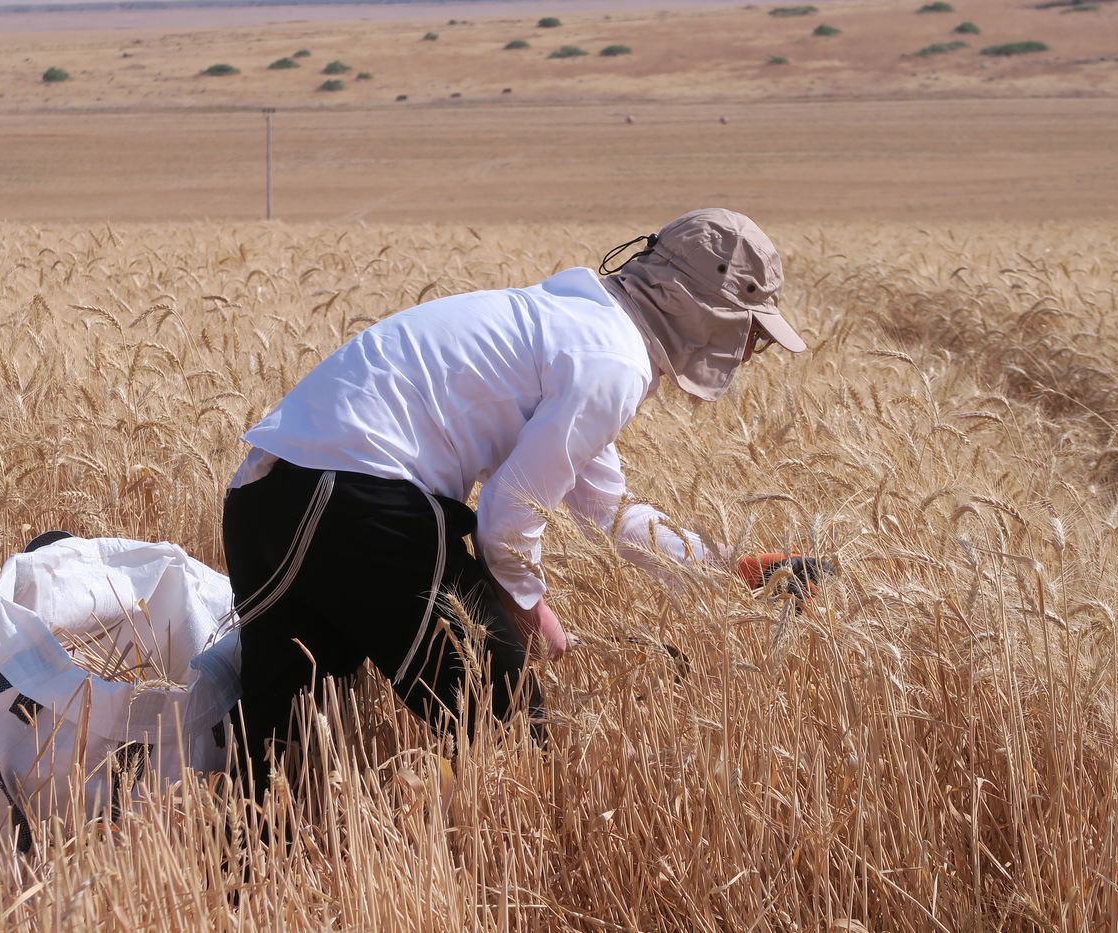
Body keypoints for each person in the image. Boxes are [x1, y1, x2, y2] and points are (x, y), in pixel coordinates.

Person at [221, 208, 809, 799]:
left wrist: (725, 570)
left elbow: (608, 508)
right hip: (358, 503)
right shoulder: (611, 360)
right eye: (751, 330)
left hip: (267, 496)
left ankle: (232, 871)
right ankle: (419, 842)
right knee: (505, 729)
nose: (751, 349)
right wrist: (528, 613)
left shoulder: (580, 326)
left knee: (277, 747)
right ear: (702, 306)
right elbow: (509, 519)